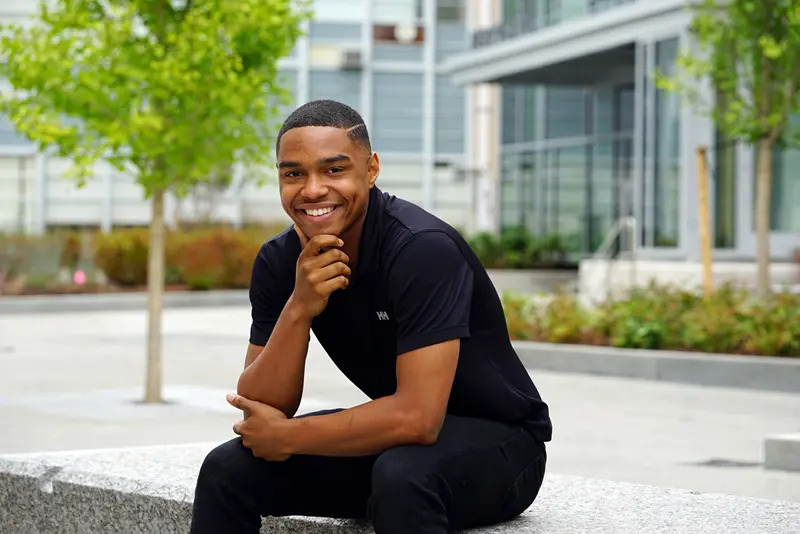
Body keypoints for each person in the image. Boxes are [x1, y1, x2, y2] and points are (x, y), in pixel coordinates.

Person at [190, 99, 553, 534]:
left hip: (505, 446)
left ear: (371, 169)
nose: (312, 190)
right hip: (394, 441)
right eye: (293, 174)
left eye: (334, 170)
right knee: (227, 468)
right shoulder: (279, 261)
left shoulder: (422, 249)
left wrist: (289, 437)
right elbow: (262, 407)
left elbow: (418, 419)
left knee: (404, 477)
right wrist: (299, 307)